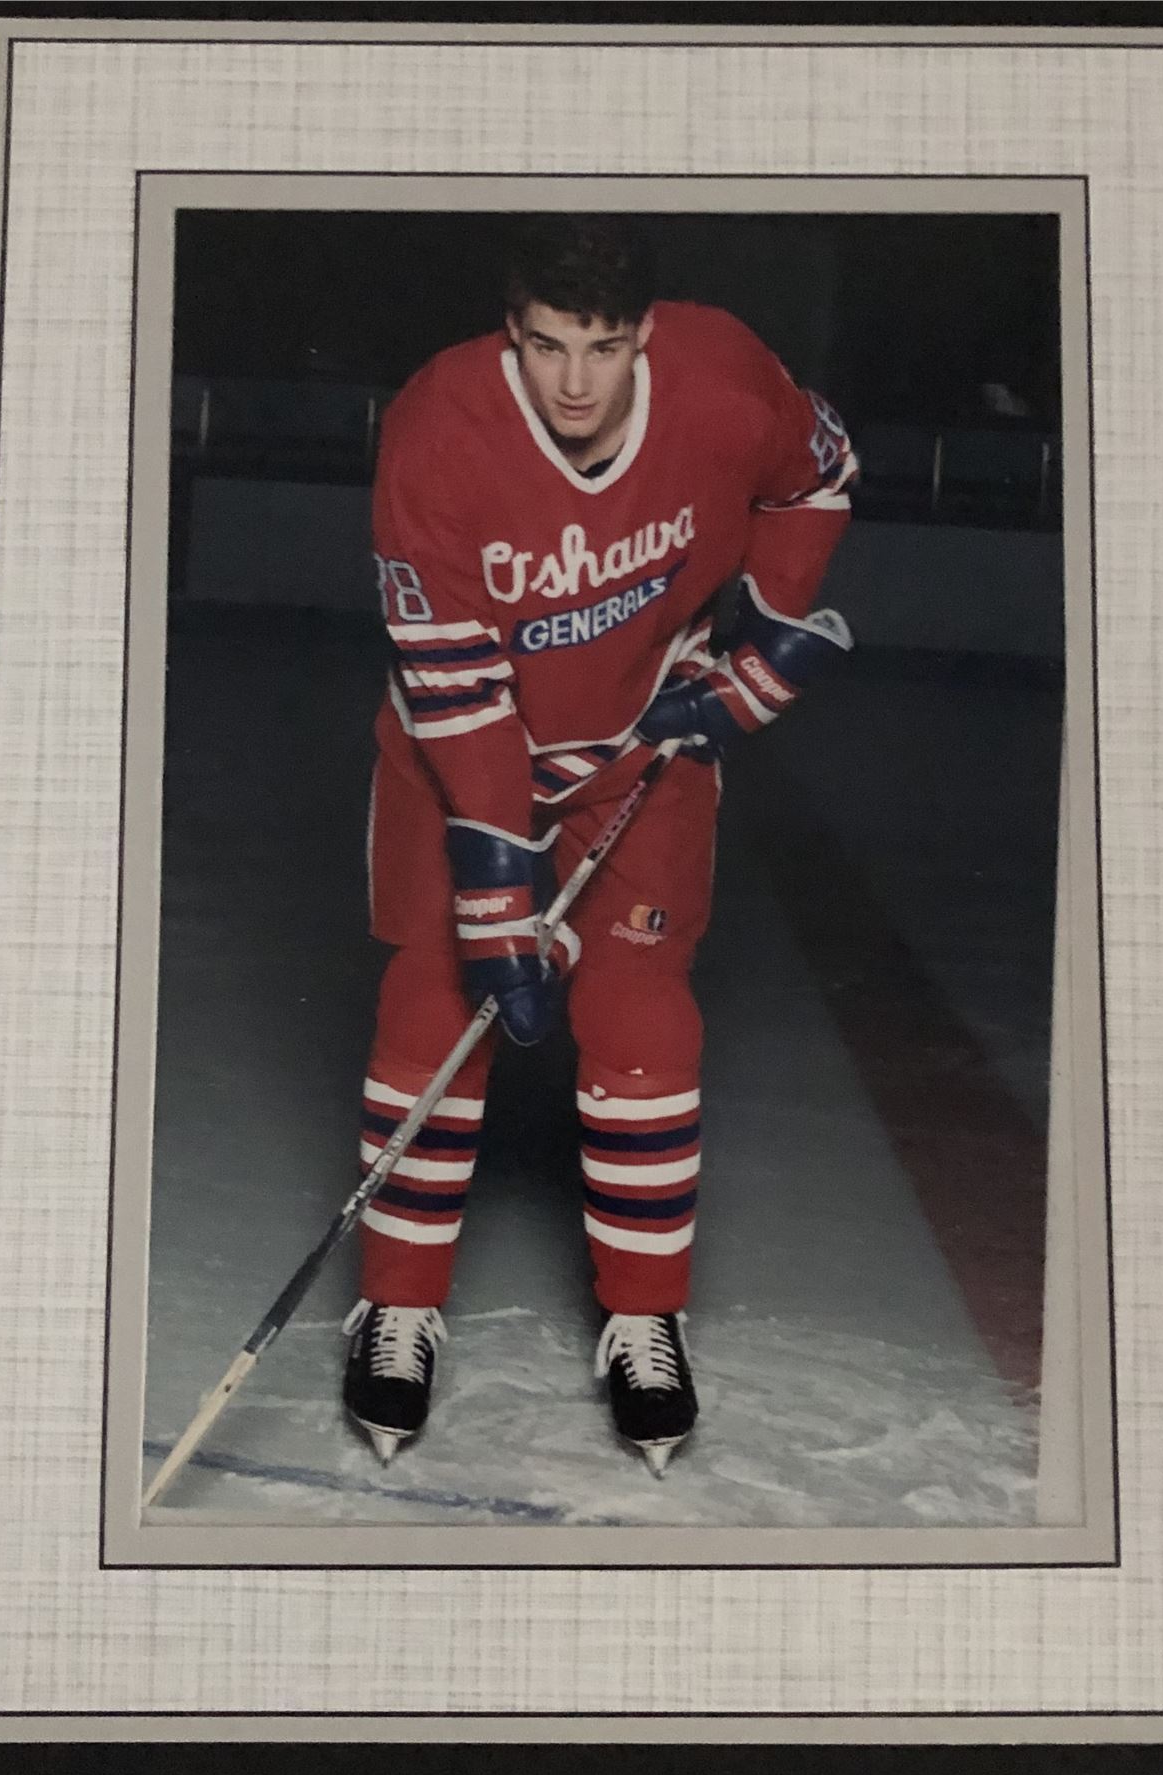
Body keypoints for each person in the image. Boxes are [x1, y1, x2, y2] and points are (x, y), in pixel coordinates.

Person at [343, 216, 857, 1475]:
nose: (574, 383)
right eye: (545, 346)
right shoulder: (438, 430)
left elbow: (819, 475)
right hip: (456, 754)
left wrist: (764, 648)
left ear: (647, 333)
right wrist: (495, 890)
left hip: (642, 747)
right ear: (508, 330)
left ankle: (645, 1320)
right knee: (433, 1003)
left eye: (605, 347)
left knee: (642, 1016)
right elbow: (455, 684)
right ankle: (396, 1305)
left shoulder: (725, 382)